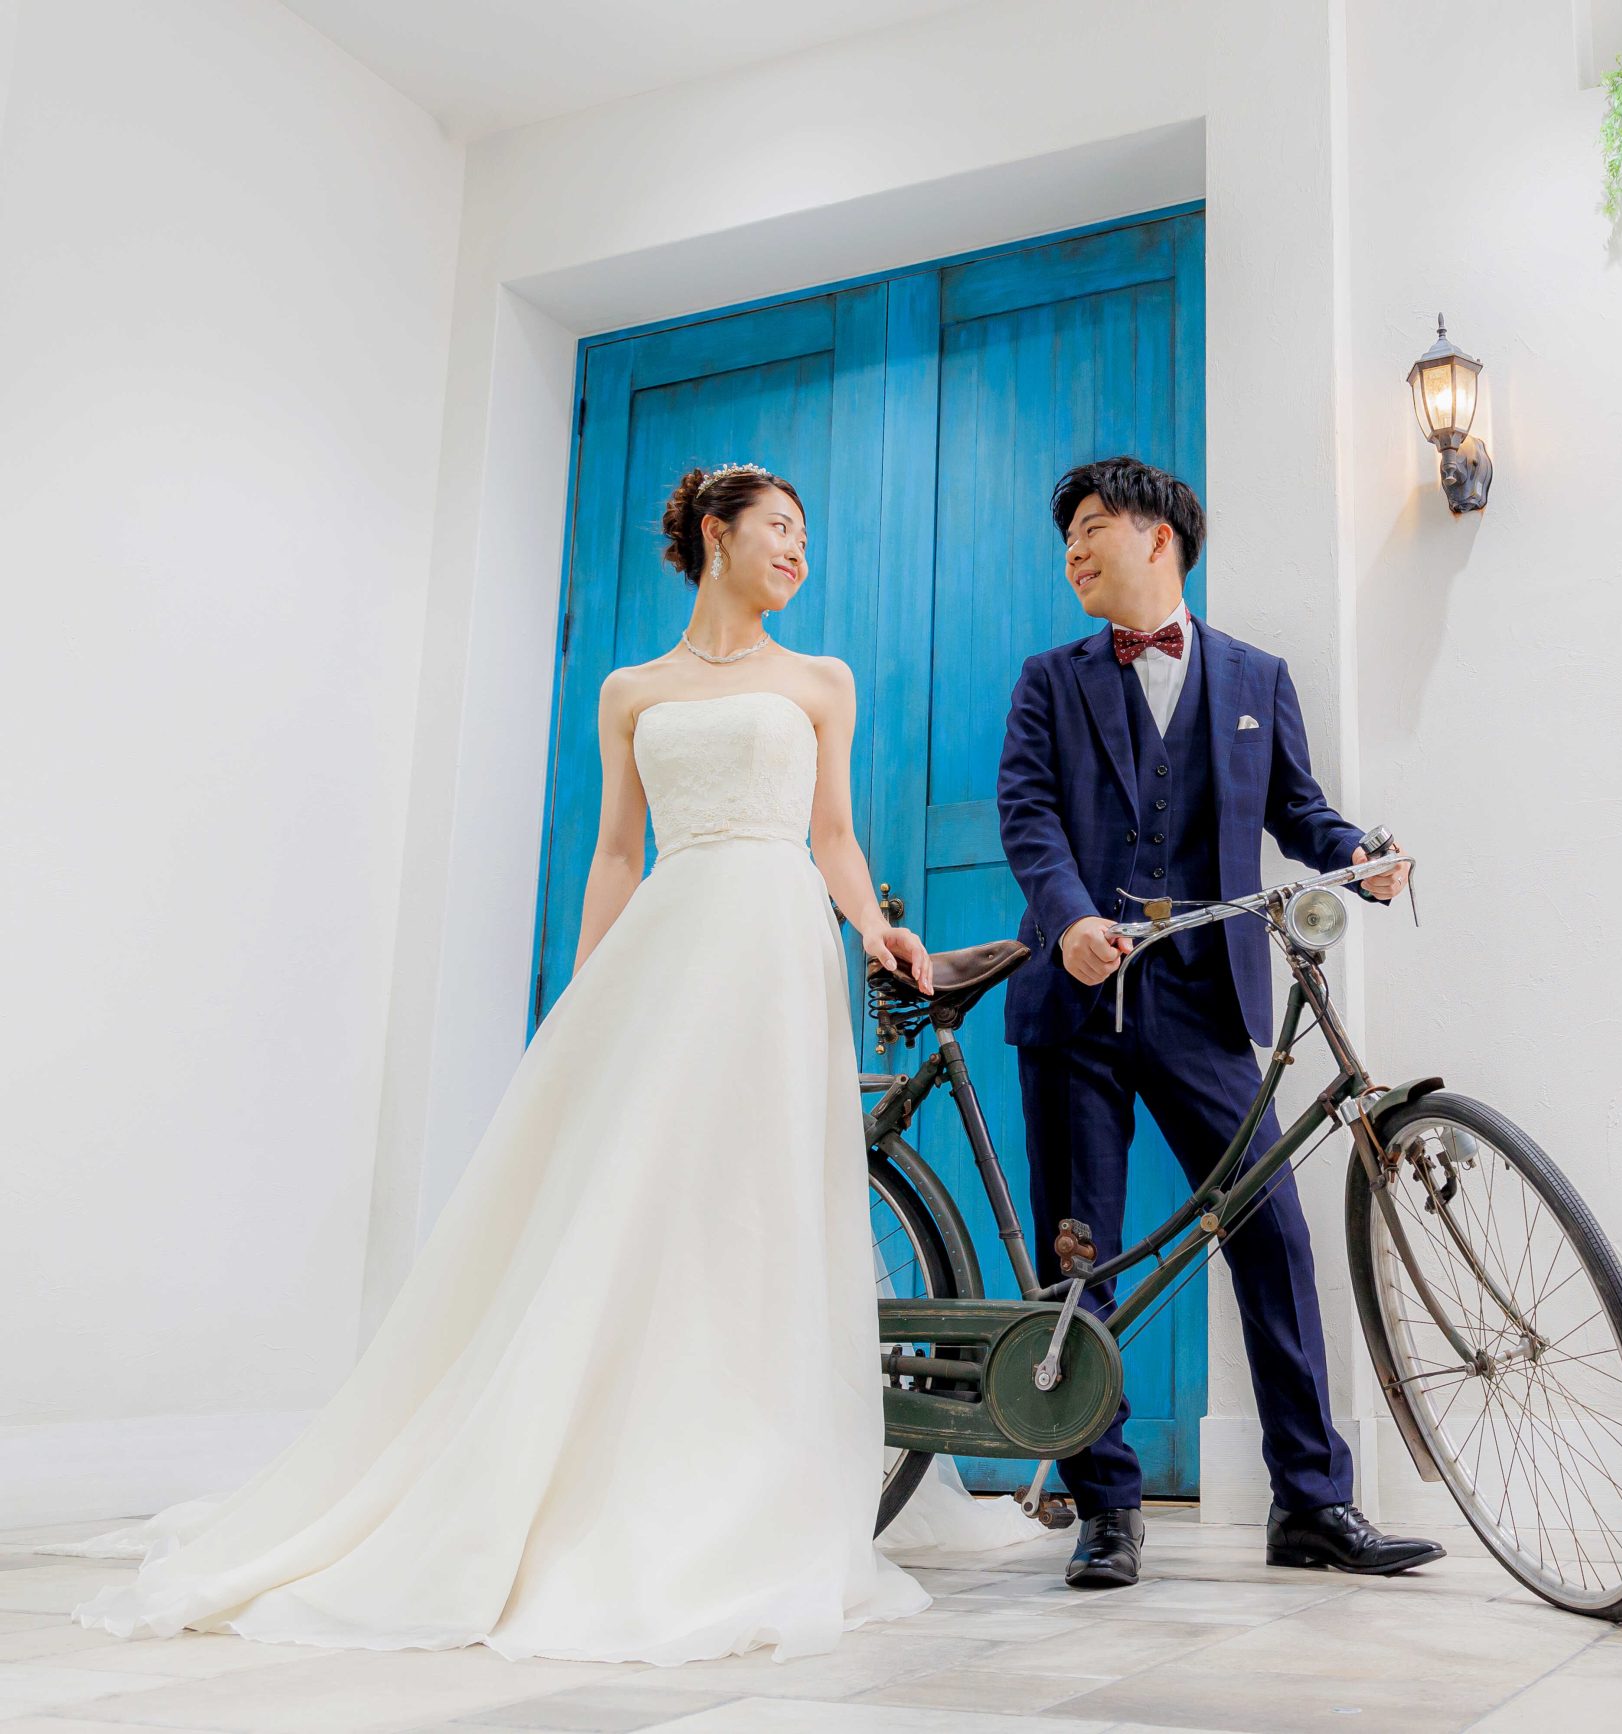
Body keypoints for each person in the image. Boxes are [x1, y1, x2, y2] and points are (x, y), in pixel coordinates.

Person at [45, 462, 1041, 1665]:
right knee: (631, 1194)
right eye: (778, 529)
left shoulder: (820, 680)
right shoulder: (631, 690)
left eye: (804, 536)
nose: (797, 552)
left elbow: (831, 832)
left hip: (775, 944)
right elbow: (618, 852)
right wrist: (586, 992)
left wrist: (875, 927)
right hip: (673, 937)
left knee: (755, 1195)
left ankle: (743, 1461)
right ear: (715, 535)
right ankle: (590, 1452)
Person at [994, 455, 1444, 1590]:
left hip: (1202, 1002)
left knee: (1274, 1238)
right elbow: (1027, 814)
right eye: (1065, 536)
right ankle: (1105, 1507)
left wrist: (1358, 855)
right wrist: (1069, 920)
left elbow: (1296, 811)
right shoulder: (1050, 681)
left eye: (1092, 526)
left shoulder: (1255, 676)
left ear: (1160, 538)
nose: (1073, 550)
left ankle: (1313, 1504)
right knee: (1079, 1255)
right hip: (1077, 1002)